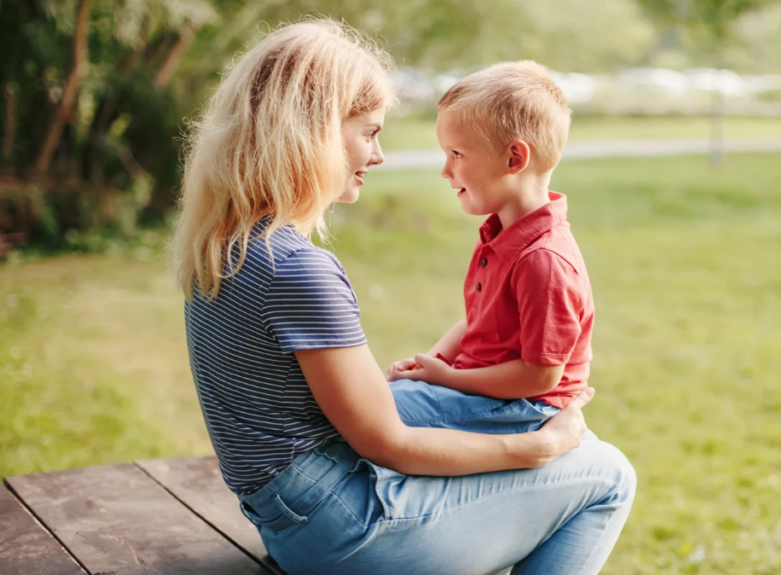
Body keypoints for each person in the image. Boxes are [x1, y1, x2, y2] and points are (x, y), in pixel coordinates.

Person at [172, 20, 635, 575]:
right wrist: (535, 451)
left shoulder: (224, 246)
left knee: (421, 404)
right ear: (312, 132)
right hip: (345, 534)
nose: (380, 155)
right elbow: (386, 442)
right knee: (607, 473)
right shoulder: (296, 268)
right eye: (369, 132)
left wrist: (437, 376)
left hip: (288, 521)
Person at [386, 62, 595, 438]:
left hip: (526, 408)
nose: (445, 171)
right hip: (485, 391)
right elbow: (479, 321)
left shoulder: (543, 260)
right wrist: (432, 362)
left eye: (457, 154)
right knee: (376, 402)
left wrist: (450, 379)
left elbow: (541, 375)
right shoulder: (504, 235)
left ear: (514, 159)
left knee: (373, 413)